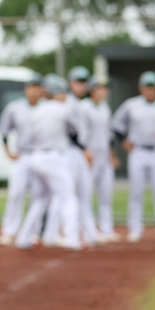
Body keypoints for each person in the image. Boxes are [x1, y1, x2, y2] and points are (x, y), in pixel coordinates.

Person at [111, 71, 155, 244]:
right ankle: (135, 228)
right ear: (140, 88)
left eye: (152, 87)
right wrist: (123, 141)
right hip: (138, 151)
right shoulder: (131, 105)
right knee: (136, 191)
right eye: (146, 87)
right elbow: (116, 124)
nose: (149, 91)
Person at [15, 76, 82, 251]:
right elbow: (75, 130)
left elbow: (26, 137)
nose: (64, 95)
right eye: (62, 92)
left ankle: (23, 238)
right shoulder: (62, 109)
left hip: (35, 157)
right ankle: (72, 238)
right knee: (68, 197)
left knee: (40, 200)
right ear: (56, 93)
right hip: (54, 157)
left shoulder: (36, 111)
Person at [0, 74, 45, 246]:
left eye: (38, 87)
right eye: (32, 86)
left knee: (38, 195)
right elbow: (3, 129)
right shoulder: (15, 107)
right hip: (22, 154)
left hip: (41, 155)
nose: (34, 90)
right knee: (16, 193)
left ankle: (33, 231)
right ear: (26, 89)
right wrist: (8, 151)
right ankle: (9, 231)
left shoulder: (46, 108)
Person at [81, 75, 120, 242]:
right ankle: (87, 229)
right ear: (92, 90)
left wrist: (113, 155)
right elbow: (81, 134)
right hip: (90, 157)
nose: (104, 91)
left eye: (105, 88)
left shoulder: (105, 108)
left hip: (104, 157)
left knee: (105, 195)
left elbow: (108, 135)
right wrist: (85, 151)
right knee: (86, 195)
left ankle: (106, 228)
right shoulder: (84, 107)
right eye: (101, 88)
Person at [66, 66, 99, 246]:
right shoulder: (68, 103)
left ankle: (88, 232)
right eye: (78, 82)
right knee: (69, 194)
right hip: (71, 152)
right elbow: (70, 132)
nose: (81, 86)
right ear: (70, 83)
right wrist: (84, 148)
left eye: (84, 82)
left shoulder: (83, 104)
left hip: (80, 152)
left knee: (84, 193)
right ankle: (66, 232)